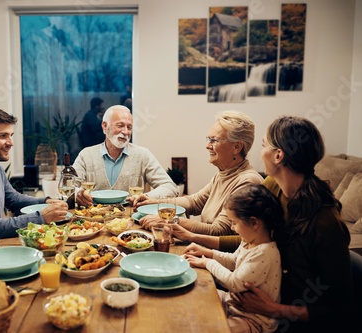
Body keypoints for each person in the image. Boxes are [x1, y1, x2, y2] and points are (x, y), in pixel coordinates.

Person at [190, 116, 354, 332]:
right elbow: (248, 237)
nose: (260, 153)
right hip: (250, 301)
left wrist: (274, 309)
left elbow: (340, 305)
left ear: (278, 155)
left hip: (283, 320)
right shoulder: (272, 187)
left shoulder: (325, 222)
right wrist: (201, 245)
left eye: (264, 145)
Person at [0, 107, 68, 264]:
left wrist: (47, 202)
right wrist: (41, 217)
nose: (10, 143)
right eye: (3, 136)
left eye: (11, 135)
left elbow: (13, 199)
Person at [136, 110, 263, 238]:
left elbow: (220, 231)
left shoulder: (248, 182)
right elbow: (194, 202)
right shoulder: (224, 173)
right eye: (208, 139)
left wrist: (171, 221)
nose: (208, 146)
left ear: (237, 147)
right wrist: (154, 202)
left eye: (214, 140)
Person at [185, 184, 284, 333]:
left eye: (234, 223)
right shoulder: (248, 240)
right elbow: (233, 260)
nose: (232, 228)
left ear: (254, 223)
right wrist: (207, 252)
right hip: (234, 304)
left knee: (215, 329)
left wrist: (208, 262)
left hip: (253, 319)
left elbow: (234, 283)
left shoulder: (265, 252)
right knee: (197, 293)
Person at [73, 105, 178, 207]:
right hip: (93, 222)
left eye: (129, 127)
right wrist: (77, 193)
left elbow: (170, 187)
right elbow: (66, 187)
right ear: (105, 126)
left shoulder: (143, 154)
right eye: (120, 126)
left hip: (131, 221)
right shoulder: (86, 155)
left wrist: (146, 196)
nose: (125, 132)